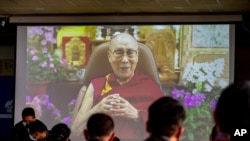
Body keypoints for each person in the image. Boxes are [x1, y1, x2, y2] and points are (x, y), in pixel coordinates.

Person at [71, 33, 165, 140]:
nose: (125, 59)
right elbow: (75, 132)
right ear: (109, 56)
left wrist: (137, 115)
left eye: (130, 53)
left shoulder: (149, 87)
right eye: (118, 52)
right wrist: (97, 110)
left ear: (137, 56)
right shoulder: (97, 85)